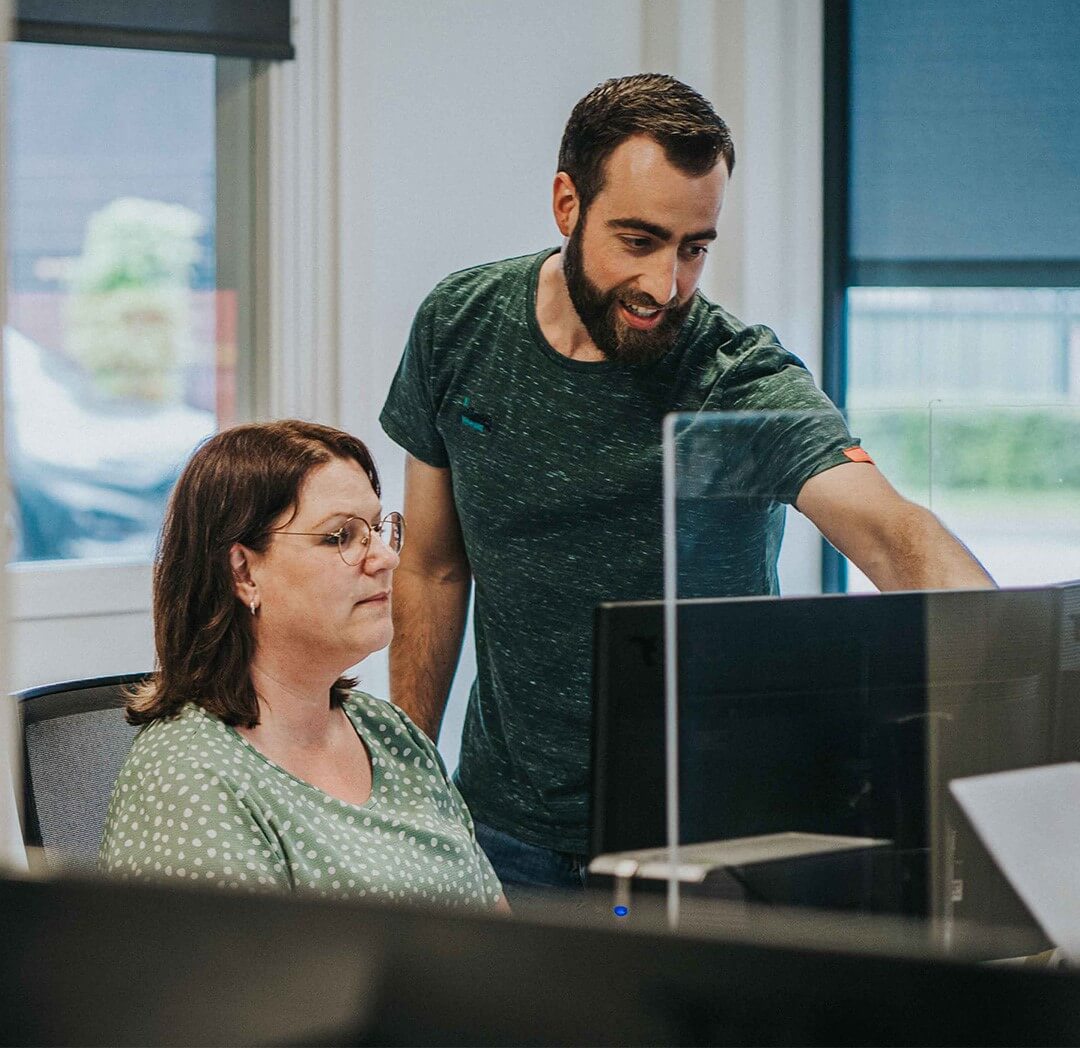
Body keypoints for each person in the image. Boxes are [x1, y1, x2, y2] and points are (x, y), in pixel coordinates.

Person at [379, 74, 993, 897]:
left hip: (700, 841)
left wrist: (1004, 654)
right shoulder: (460, 326)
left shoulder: (734, 377)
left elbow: (889, 531)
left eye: (694, 247)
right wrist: (410, 782)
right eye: (638, 240)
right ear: (568, 204)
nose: (665, 285)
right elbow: (432, 567)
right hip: (503, 829)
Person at [100, 419, 506, 913]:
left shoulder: (388, 731)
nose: (384, 558)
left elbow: (497, 927)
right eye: (342, 536)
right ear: (243, 572)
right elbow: (239, 987)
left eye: (378, 530)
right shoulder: (188, 777)